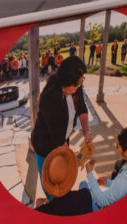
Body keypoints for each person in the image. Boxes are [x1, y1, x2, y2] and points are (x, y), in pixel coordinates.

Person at [30, 56, 92, 201]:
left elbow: (82, 108)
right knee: (53, 186)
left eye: (82, 81)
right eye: (78, 83)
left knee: (64, 179)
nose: (80, 86)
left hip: (61, 139)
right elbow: (58, 139)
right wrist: (73, 159)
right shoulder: (50, 98)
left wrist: (86, 130)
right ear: (67, 82)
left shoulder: (76, 87)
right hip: (46, 145)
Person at [84, 127, 127, 209]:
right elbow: (126, 188)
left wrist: (90, 173)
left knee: (83, 186)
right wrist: (109, 183)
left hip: (113, 213)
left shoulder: (125, 179)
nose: (116, 148)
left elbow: (102, 201)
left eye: (118, 146)